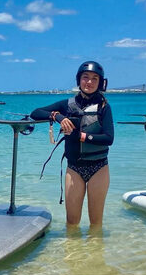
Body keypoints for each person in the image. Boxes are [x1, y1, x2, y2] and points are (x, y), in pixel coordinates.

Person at [30, 61, 114, 227]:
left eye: (94, 78)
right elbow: (36, 113)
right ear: (79, 80)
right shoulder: (67, 105)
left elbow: (108, 138)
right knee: (72, 222)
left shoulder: (104, 107)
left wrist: (80, 136)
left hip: (99, 168)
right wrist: (58, 117)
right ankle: (71, 246)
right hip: (74, 168)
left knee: (95, 222)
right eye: (85, 77)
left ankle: (95, 245)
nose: (89, 82)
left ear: (100, 83)